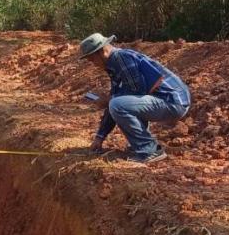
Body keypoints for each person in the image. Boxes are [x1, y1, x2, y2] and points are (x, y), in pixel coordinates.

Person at [79, 32, 191, 164]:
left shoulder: (121, 58)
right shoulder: (115, 63)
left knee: (117, 104)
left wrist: (107, 100)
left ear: (101, 52)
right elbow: (122, 100)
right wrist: (99, 137)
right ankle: (141, 147)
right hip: (169, 101)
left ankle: (149, 150)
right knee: (117, 103)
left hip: (173, 102)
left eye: (92, 60)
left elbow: (136, 91)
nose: (94, 64)